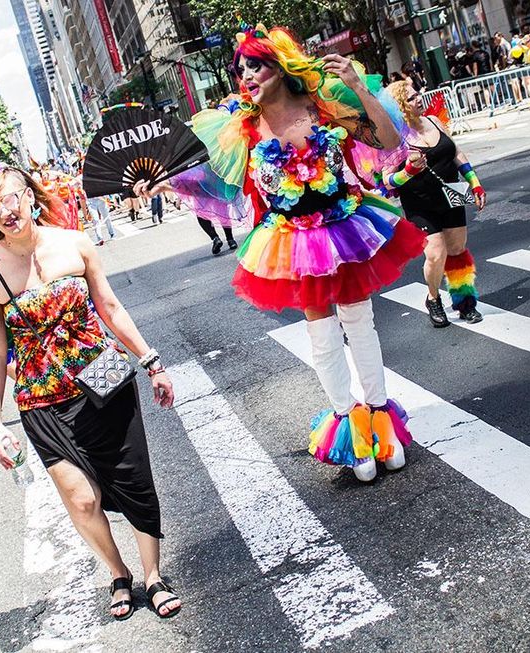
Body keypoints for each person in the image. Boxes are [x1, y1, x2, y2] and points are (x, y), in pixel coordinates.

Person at [137, 25, 424, 482]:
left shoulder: (324, 108)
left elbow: (388, 141)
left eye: (256, 64)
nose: (246, 74)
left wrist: (354, 85)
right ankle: (351, 429)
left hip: (346, 225)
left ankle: (379, 418)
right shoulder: (240, 129)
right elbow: (206, 177)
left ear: (280, 65)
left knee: (360, 323)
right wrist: (159, 181)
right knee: (324, 336)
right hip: (294, 240)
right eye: (240, 68)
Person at [0, 167, 181, 620]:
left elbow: (110, 307)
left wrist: (152, 362)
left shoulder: (74, 243)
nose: (5, 211)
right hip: (41, 397)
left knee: (134, 480)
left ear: (28, 195)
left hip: (102, 377)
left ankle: (152, 575)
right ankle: (117, 572)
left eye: (10, 199)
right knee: (81, 498)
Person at [385, 80, 485, 328]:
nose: (419, 98)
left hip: (451, 195)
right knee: (435, 254)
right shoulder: (396, 137)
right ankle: (433, 298)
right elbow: (387, 180)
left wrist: (474, 181)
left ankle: (464, 303)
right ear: (400, 105)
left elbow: (456, 153)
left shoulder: (434, 121)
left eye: (418, 93)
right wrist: (407, 170)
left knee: (458, 250)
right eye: (411, 97)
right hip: (420, 203)